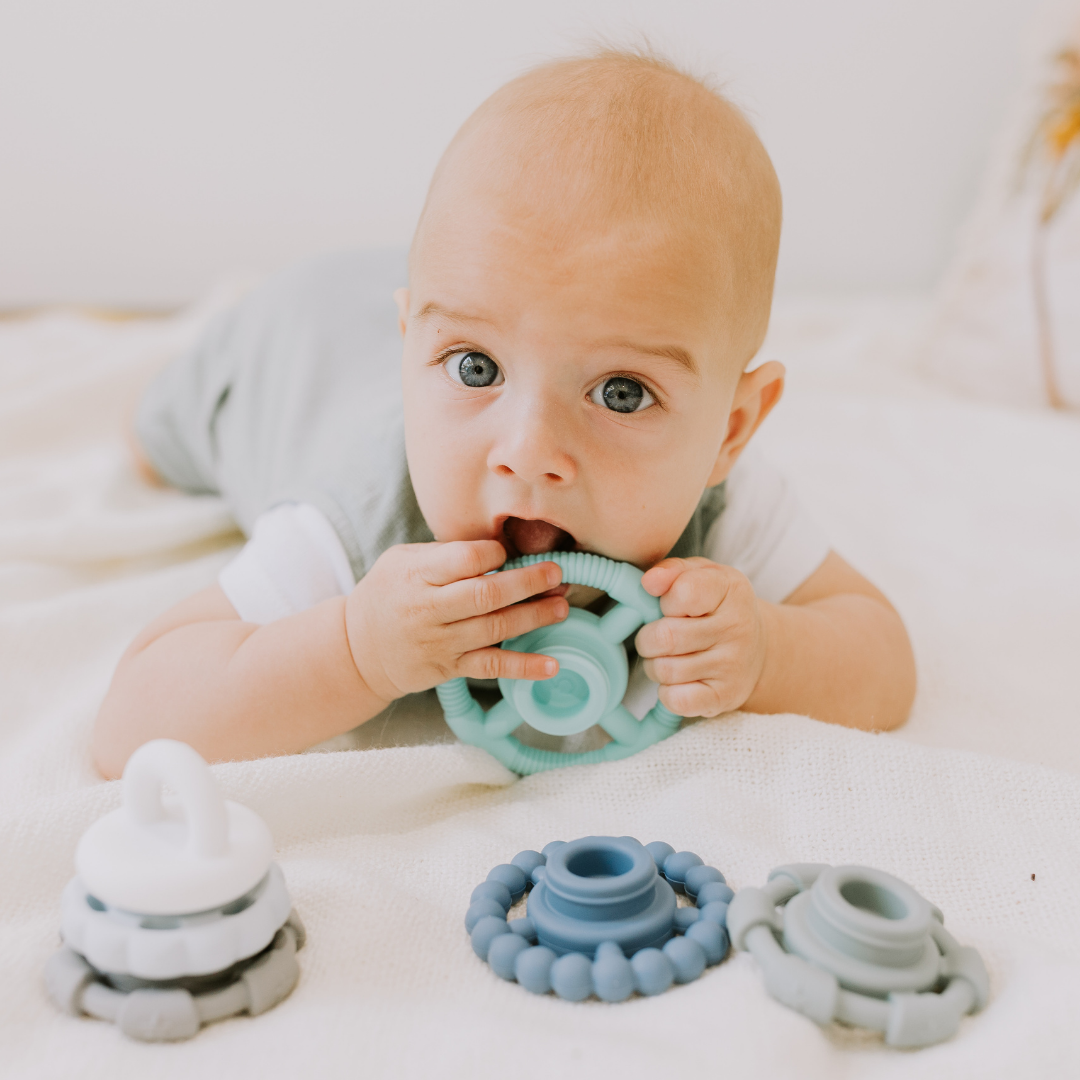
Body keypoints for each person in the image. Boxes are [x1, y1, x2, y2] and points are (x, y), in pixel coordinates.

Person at [93, 49, 916, 778]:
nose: (529, 452)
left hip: (416, 314)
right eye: (476, 368)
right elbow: (131, 726)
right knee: (158, 436)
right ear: (414, 345)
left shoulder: (722, 501)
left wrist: (770, 652)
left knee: (510, 303)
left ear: (730, 432)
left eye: (621, 392)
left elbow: (881, 654)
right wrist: (354, 648)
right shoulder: (357, 521)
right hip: (287, 349)